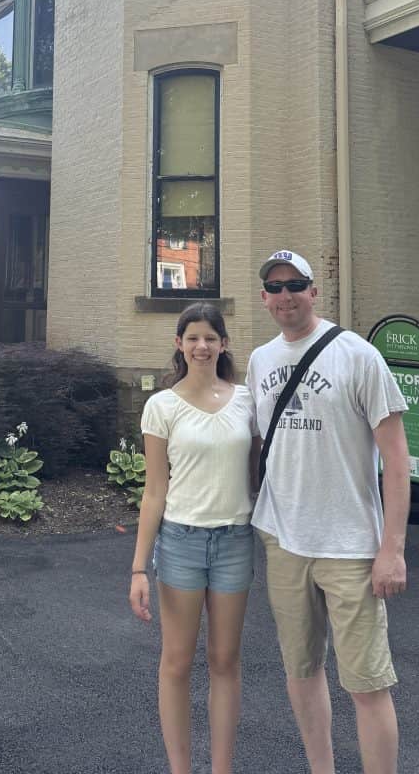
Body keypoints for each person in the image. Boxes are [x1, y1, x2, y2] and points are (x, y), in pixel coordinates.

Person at [247, 250, 410, 774]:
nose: (285, 295)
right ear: (264, 297)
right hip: (283, 539)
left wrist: (393, 550)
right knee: (301, 668)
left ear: (315, 291)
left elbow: (397, 461)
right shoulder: (260, 360)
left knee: (367, 683)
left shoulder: (358, 356)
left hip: (351, 547)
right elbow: (252, 443)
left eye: (295, 284)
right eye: (274, 287)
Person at [129, 303, 260, 774]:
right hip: (181, 543)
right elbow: (154, 490)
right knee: (178, 662)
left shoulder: (247, 401)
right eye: (192, 338)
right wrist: (139, 567)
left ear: (223, 344)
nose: (201, 346)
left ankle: (222, 768)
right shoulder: (161, 406)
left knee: (225, 661)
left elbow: (259, 471)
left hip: (234, 541)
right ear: (179, 345)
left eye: (210, 338)